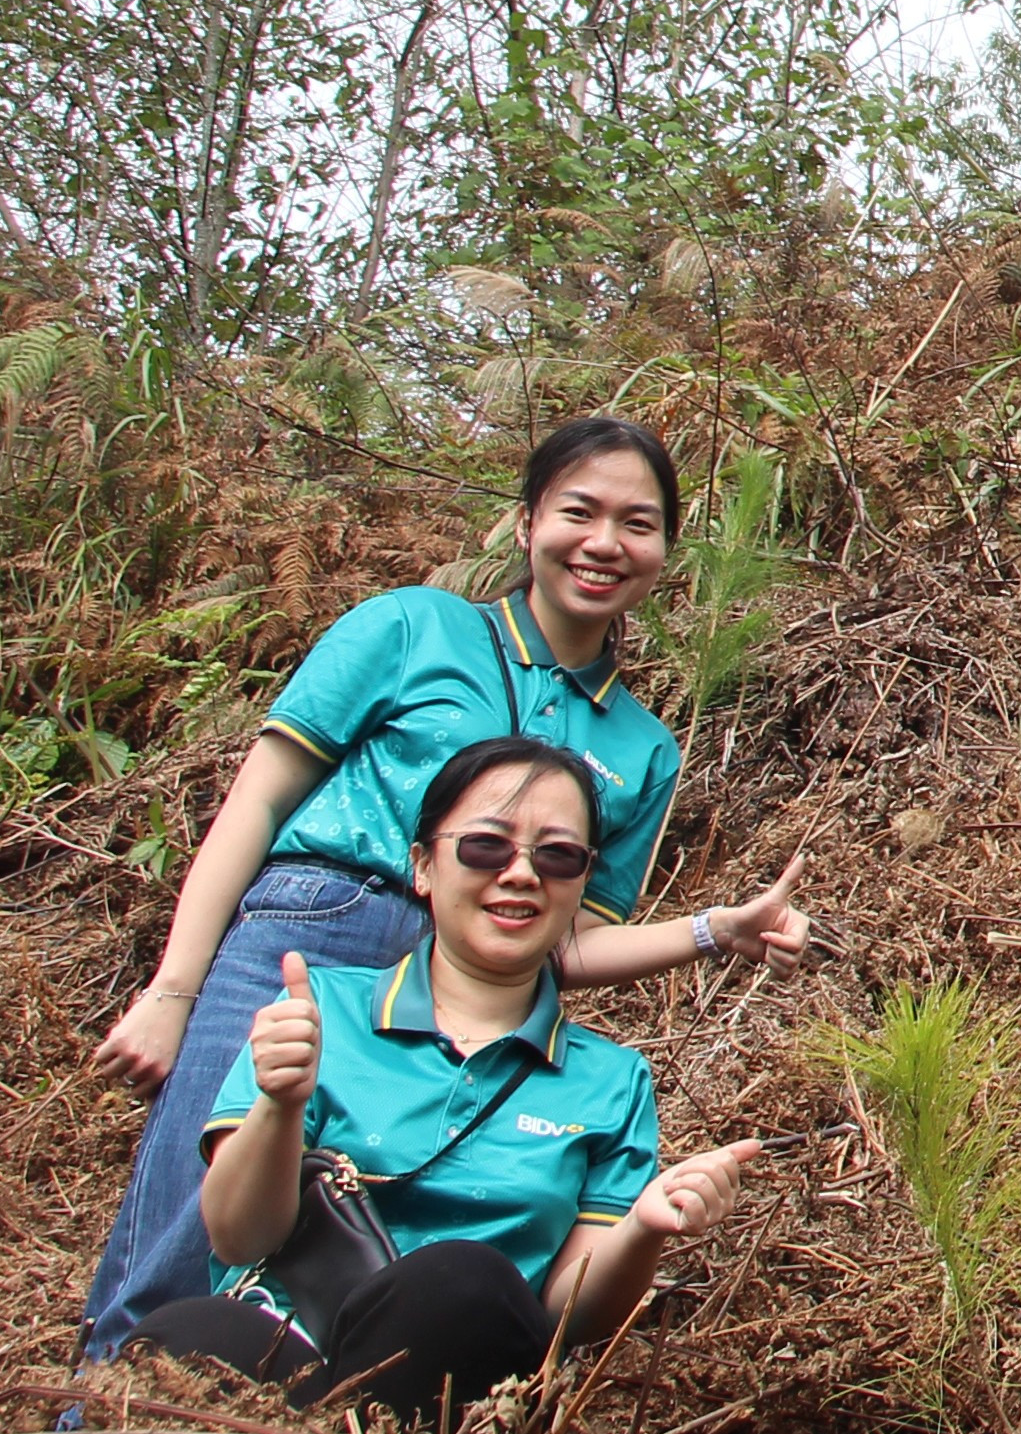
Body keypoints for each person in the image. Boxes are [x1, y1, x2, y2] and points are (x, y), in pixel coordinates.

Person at [79, 416, 813, 1357]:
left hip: (477, 992)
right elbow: (257, 804)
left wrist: (715, 932)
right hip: (314, 938)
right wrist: (175, 990)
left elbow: (562, 942)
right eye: (577, 512)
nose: (603, 544)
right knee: (192, 1226)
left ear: (666, 549)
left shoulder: (642, 748)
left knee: (384, 1247)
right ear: (524, 525)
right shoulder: (410, 627)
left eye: (637, 523)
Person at [127, 739, 763, 1421]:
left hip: (453, 1381)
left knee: (460, 1283)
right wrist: (281, 1105)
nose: (521, 874)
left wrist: (642, 1228)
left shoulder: (611, 1081)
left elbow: (572, 1316)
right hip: (285, 1346)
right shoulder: (320, 1011)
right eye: (486, 846)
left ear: (581, 885)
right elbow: (237, 1238)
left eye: (557, 855)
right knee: (183, 1337)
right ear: (424, 866)